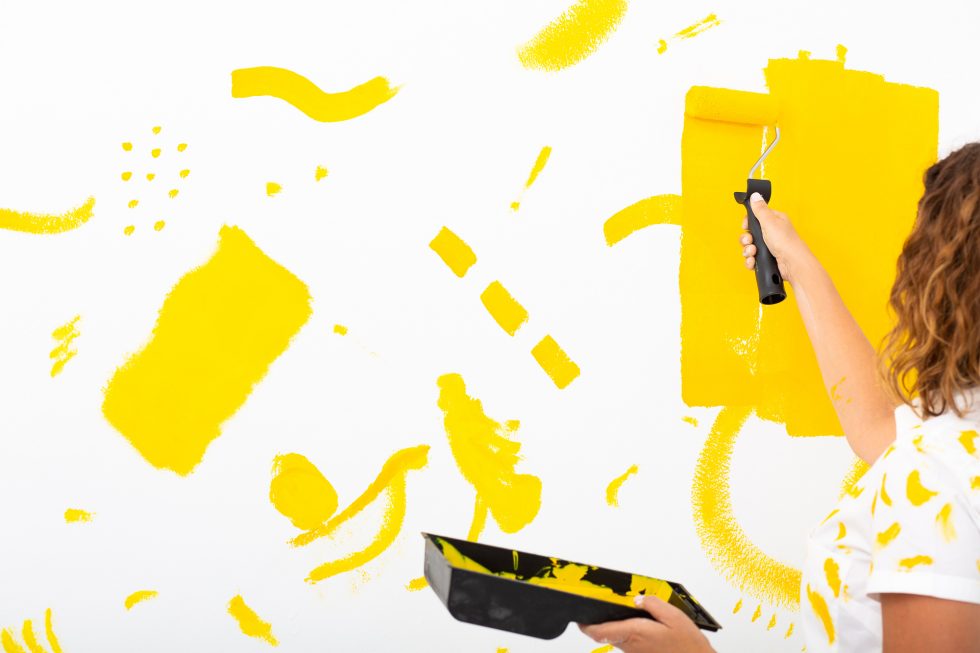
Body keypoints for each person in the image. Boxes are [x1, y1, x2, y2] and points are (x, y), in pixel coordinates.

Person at [580, 143, 980, 652]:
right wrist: (797, 264)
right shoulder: (952, 444)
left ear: (943, 278)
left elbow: (918, 462)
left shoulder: (933, 481)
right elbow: (879, 431)